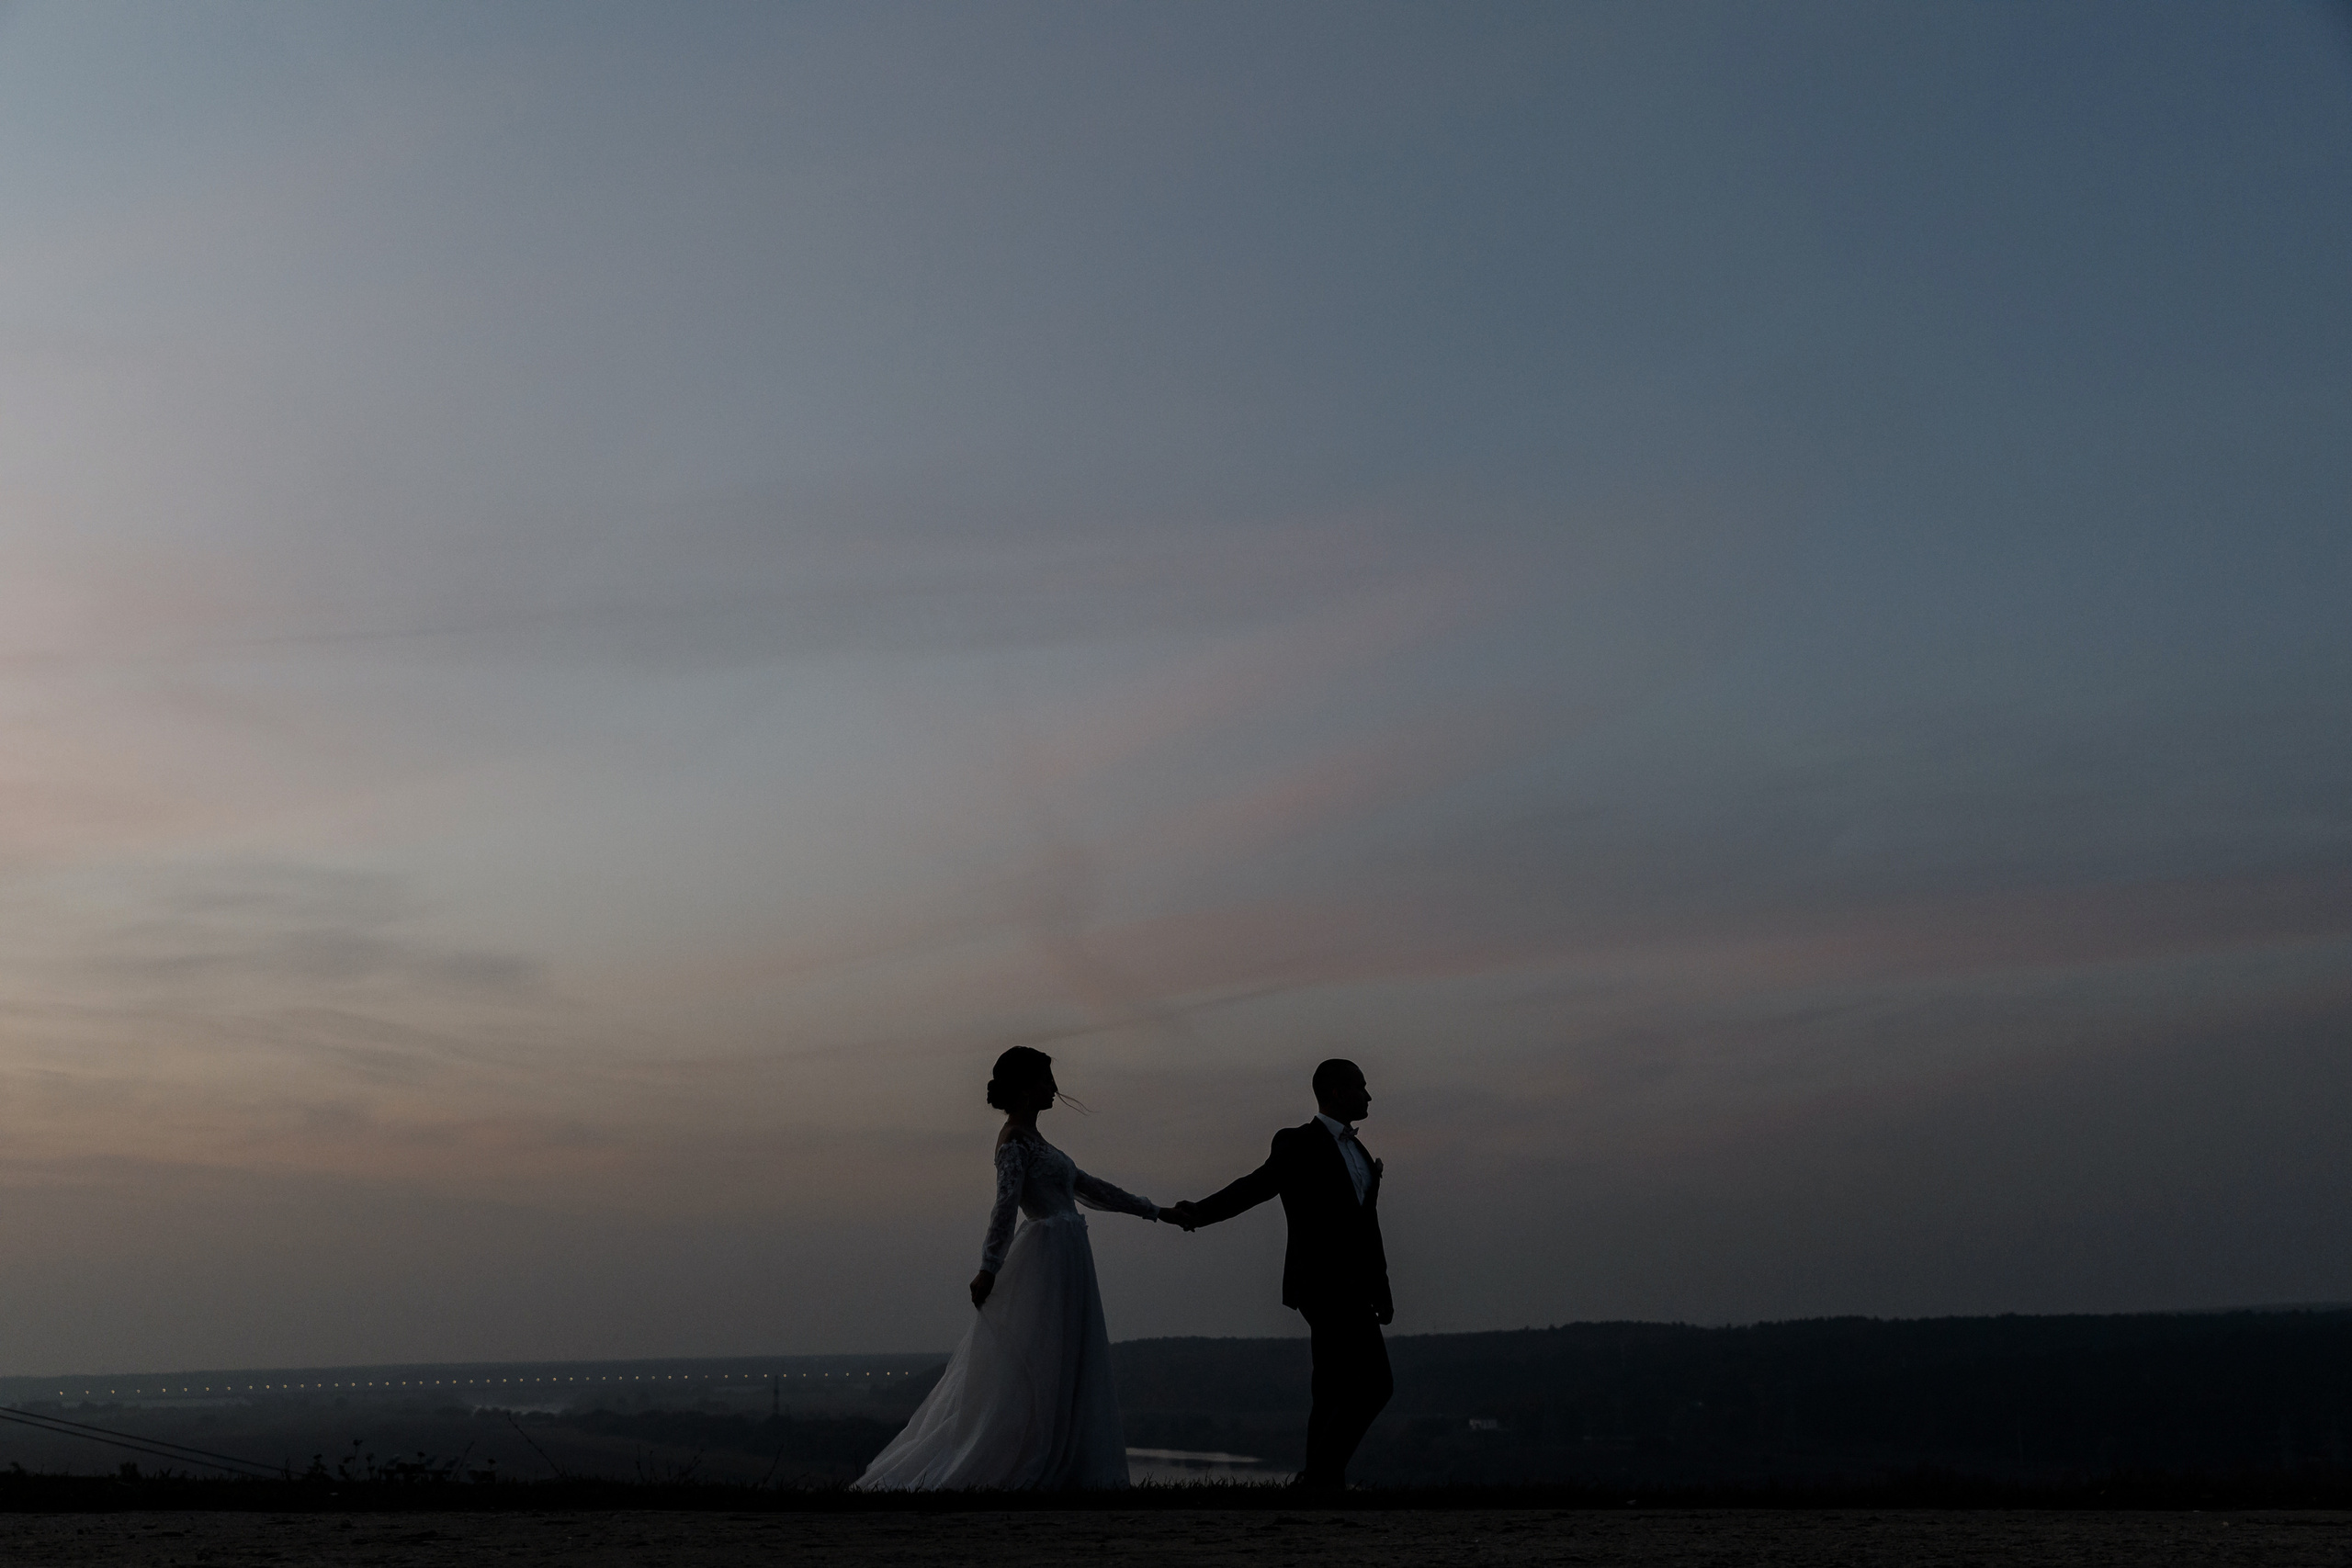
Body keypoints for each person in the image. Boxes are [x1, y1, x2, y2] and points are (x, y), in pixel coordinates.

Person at [854, 1046, 1163, 1490]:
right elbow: (1006, 1205)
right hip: (1048, 1260)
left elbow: (1089, 1188)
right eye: (1044, 1080)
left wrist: (1154, 1211)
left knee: (1071, 1359)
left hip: (1068, 1256)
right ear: (1023, 1087)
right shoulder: (1014, 1142)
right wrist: (989, 1267)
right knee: (1037, 1362)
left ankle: (1071, 1461)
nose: (1054, 1088)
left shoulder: (1036, 1141)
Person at [1166, 1058, 1392, 1492]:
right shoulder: (1298, 1142)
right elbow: (1255, 1186)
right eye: (1361, 1087)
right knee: (1376, 1383)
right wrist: (1201, 1212)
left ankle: (1322, 1484)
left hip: (1356, 1287)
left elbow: (1369, 1228)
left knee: (1330, 1386)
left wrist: (1381, 1289)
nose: (1369, 1095)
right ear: (1334, 1093)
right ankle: (1319, 1477)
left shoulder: (1360, 1152)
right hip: (1322, 1284)